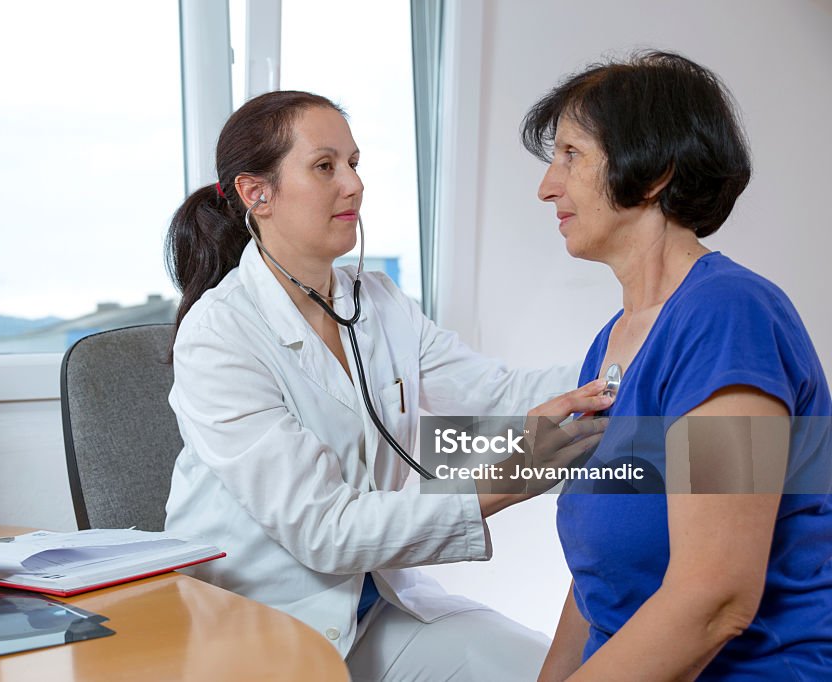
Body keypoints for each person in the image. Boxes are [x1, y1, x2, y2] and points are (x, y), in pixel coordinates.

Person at [163, 90, 611, 681]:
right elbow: (325, 532)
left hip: (374, 612)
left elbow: (499, 393)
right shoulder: (219, 335)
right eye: (325, 166)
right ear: (256, 193)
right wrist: (513, 472)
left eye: (353, 163)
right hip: (258, 629)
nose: (353, 184)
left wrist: (631, 367)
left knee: (550, 671)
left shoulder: (377, 301)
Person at [523, 51, 832, 680]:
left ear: (655, 171)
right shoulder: (614, 341)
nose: (547, 186)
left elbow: (714, 602)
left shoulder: (729, 318)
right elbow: (597, 586)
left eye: (572, 155)